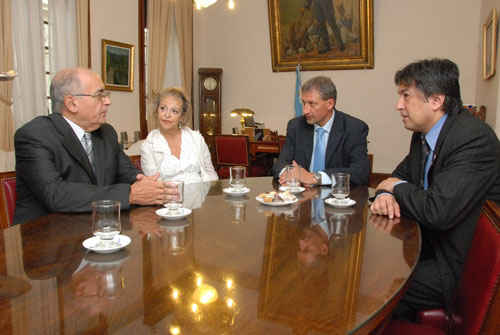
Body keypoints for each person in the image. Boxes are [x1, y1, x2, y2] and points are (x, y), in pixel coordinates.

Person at [370, 58, 500, 322]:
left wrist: (394, 187)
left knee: (373, 285)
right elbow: (399, 176)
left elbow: (436, 211)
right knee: (372, 267)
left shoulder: (472, 138)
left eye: (406, 96)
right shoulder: (422, 134)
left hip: (457, 267)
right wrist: (385, 192)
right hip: (428, 247)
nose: (399, 106)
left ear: (436, 100)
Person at [14, 67, 172, 224]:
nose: (108, 101)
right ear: (71, 103)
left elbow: (125, 172)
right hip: (43, 236)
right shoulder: (34, 135)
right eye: (100, 95)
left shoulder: (106, 132)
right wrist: (128, 194)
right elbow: (56, 194)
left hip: (97, 227)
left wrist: (143, 182)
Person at [272, 75, 370, 187]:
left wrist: (315, 177)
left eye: (311, 104)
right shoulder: (296, 126)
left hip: (336, 197)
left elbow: (360, 172)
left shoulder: (354, 128)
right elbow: (280, 162)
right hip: (302, 196)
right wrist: (289, 174)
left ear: (330, 104)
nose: (305, 111)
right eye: (304, 103)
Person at [140, 87, 218, 183]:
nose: (167, 115)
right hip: (166, 196)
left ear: (182, 116)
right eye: (163, 108)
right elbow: (154, 183)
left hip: (201, 194)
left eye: (174, 111)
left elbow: (210, 173)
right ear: (157, 111)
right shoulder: (149, 146)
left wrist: (207, 193)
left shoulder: (197, 139)